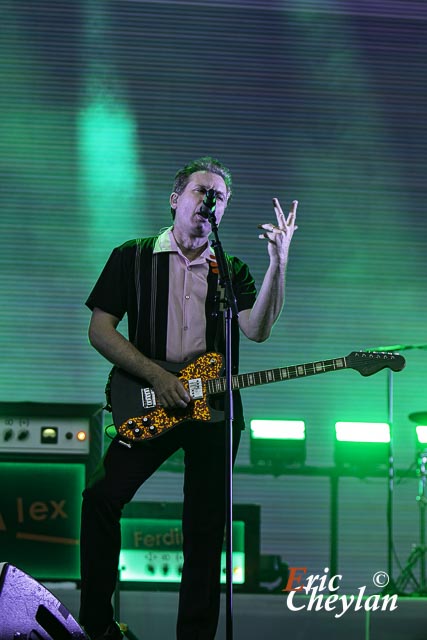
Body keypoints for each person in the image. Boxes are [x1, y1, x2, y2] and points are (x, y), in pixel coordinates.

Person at [79, 156, 298, 640]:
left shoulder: (231, 268)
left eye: (219, 196)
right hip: (149, 398)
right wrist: (156, 377)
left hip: (212, 409)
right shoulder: (132, 256)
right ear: (176, 198)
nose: (209, 202)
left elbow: (257, 330)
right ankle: (95, 625)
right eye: (202, 191)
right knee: (100, 497)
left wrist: (278, 264)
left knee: (204, 530)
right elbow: (100, 330)